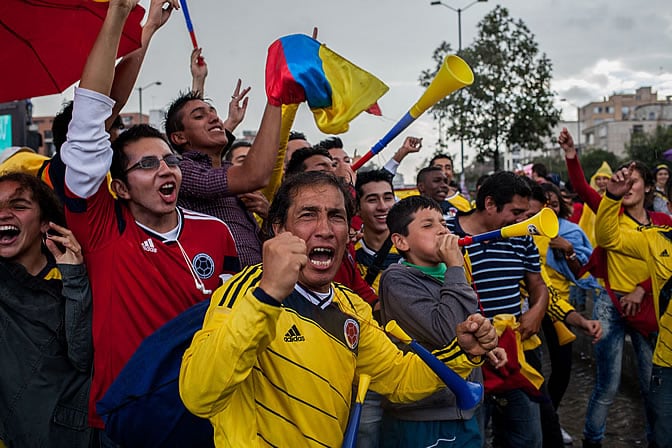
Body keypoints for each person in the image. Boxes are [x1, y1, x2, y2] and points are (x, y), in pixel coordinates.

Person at [179, 171, 500, 447]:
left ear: (348, 231)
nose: (325, 229)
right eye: (308, 214)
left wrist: (461, 352)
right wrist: (268, 297)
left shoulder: (350, 306)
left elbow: (400, 380)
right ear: (278, 228)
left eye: (336, 216)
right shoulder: (244, 291)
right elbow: (200, 394)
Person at [48, 0, 240, 434]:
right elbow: (91, 123)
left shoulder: (217, 233)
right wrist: (121, 18)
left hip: (210, 418)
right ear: (118, 187)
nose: (165, 170)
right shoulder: (103, 228)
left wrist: (147, 30)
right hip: (132, 421)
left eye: (169, 160)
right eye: (147, 165)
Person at [559, 128, 672, 447]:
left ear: (649, 186)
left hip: (650, 308)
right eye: (623, 181)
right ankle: (592, 441)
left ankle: (656, 440)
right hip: (610, 304)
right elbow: (581, 186)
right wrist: (571, 154)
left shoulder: (664, 224)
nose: (627, 186)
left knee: (654, 385)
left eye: (634, 181)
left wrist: (642, 288)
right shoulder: (611, 213)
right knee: (607, 386)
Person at [378, 195, 506, 447]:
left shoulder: (450, 271)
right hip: (423, 415)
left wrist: (486, 344)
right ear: (400, 241)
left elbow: (467, 326)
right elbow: (448, 333)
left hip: (462, 407)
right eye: (427, 225)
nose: (442, 230)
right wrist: (456, 268)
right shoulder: (397, 279)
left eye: (443, 223)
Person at [446, 171, 548, 448]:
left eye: (525, 213)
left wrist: (537, 310)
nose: (522, 220)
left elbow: (537, 285)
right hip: (468, 358)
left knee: (528, 439)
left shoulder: (523, 237)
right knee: (473, 437)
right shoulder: (446, 235)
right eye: (516, 211)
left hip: (514, 352)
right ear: (490, 204)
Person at [0, 173, 93, 447]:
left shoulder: (74, 279)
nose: (4, 214)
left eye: (18, 206)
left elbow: (83, 357)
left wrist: (74, 278)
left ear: (44, 223)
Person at [165, 68, 281, 267]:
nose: (215, 119)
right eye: (200, 116)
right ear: (179, 137)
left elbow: (256, 245)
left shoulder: (228, 172)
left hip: (256, 288)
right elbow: (255, 176)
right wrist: (277, 97)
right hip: (220, 293)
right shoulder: (182, 171)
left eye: (214, 113)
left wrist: (268, 216)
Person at [595, 164, 672, 448]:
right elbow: (608, 239)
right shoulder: (658, 238)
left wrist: (642, 289)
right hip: (666, 359)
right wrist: (611, 197)